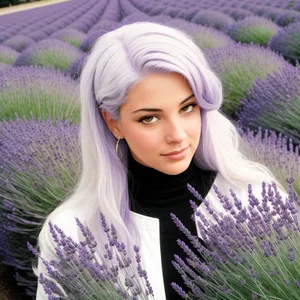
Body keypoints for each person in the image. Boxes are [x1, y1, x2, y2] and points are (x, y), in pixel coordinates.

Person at [33, 21, 288, 300]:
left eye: (188, 108)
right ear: (113, 123)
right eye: (149, 118)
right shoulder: (72, 236)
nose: (177, 135)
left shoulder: (259, 199)